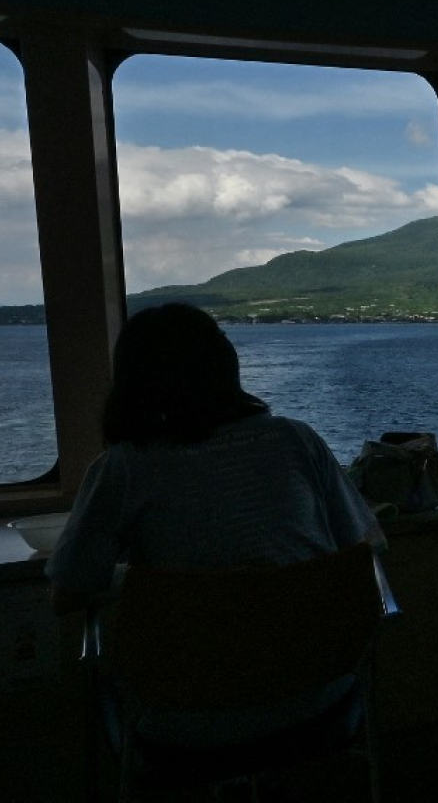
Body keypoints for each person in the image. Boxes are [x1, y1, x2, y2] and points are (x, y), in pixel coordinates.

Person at [46, 302, 383, 745]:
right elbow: (367, 546)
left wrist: (146, 579)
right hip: (319, 694)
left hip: (187, 719)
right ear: (226, 366)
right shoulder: (295, 439)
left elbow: (67, 591)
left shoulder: (124, 467)